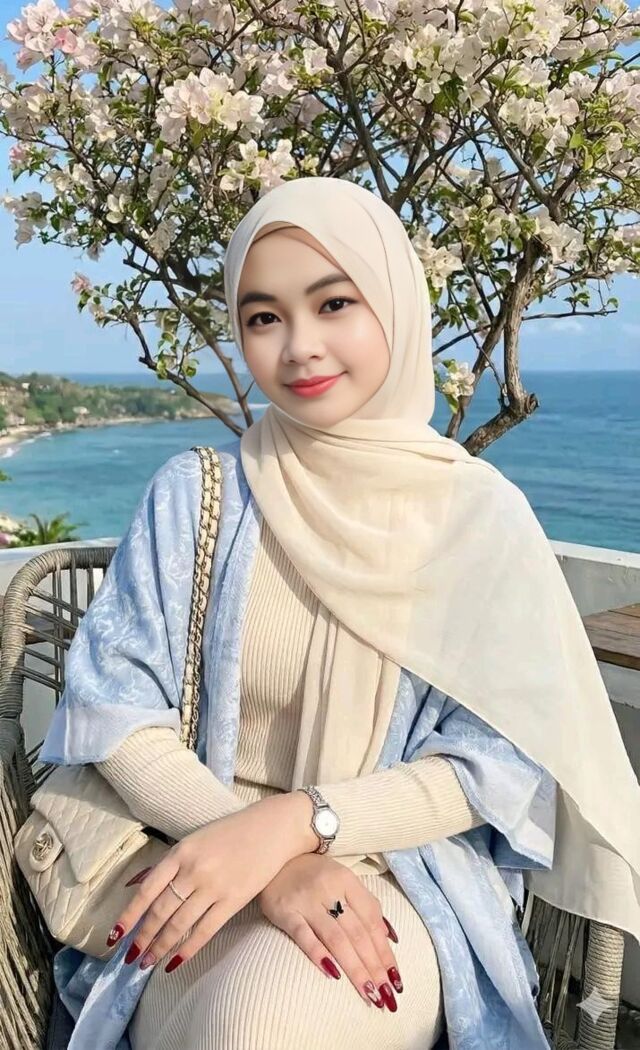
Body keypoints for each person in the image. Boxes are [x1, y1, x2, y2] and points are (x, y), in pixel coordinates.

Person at [39, 177, 640, 1050]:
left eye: (333, 303)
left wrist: (298, 827)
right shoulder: (197, 497)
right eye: (263, 317)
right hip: (190, 856)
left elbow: (493, 766)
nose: (299, 347)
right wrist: (257, 859)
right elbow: (116, 712)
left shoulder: (477, 521)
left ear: (393, 302)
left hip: (394, 875)